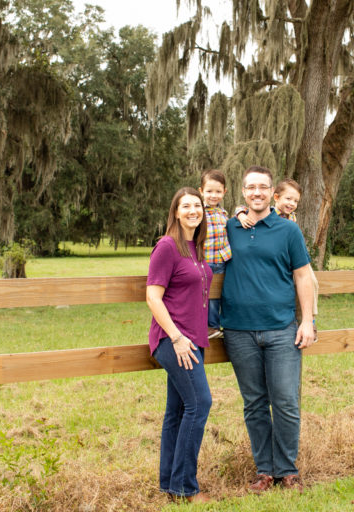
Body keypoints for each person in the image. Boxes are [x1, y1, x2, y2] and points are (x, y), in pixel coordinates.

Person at [221, 166, 316, 493]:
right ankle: (265, 471)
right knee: (255, 403)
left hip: (281, 330)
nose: (257, 192)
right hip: (238, 330)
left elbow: (303, 276)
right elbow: (193, 221)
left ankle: (288, 470)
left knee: (286, 400)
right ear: (243, 191)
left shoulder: (288, 230)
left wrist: (307, 321)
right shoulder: (228, 227)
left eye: (263, 187)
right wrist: (234, 214)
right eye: (251, 187)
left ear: (271, 192)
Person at [146, 187, 213, 504]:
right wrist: (176, 337)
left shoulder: (195, 247)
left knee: (177, 411)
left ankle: (169, 485)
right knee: (200, 404)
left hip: (193, 341)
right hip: (174, 341)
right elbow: (153, 297)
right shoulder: (167, 246)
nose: (192, 211)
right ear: (175, 212)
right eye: (186, 206)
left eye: (197, 206)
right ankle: (185, 487)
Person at [236, 178, 319, 335]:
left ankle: (309, 319)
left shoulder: (292, 218)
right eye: (288, 199)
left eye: (295, 201)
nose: (292, 204)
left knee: (310, 281)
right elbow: (240, 207)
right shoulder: (268, 214)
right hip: (278, 264)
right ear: (276, 197)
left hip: (292, 260)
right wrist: (240, 214)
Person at [199, 169, 231, 339]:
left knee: (221, 294)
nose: (214, 195)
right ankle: (211, 327)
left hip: (223, 261)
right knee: (209, 297)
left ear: (224, 192)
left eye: (218, 191)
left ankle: (224, 325)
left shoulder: (223, 213)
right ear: (201, 191)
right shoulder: (199, 212)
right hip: (206, 261)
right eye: (209, 191)